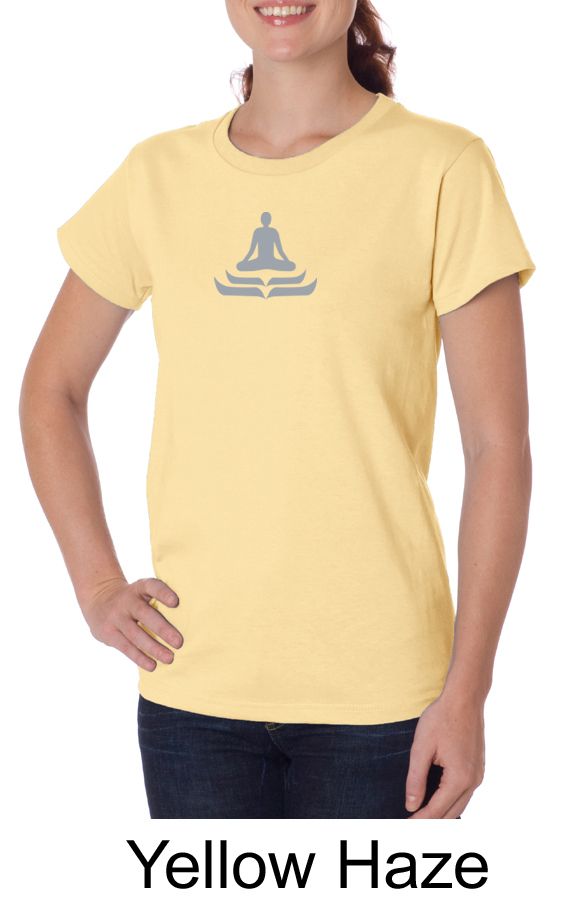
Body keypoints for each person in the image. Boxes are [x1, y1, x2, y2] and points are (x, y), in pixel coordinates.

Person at [19, 0, 535, 819]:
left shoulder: (443, 169)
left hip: (384, 701)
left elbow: (496, 447)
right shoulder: (157, 175)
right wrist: (97, 584)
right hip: (193, 693)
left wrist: (468, 690)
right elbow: (52, 388)